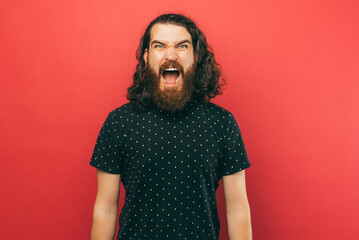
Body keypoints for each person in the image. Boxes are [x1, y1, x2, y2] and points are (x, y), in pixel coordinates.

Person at [90, 13, 252, 240]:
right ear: (146, 56)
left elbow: (237, 209)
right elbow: (105, 209)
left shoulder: (222, 124)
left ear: (195, 56)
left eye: (181, 46)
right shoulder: (119, 122)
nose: (171, 55)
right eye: (159, 46)